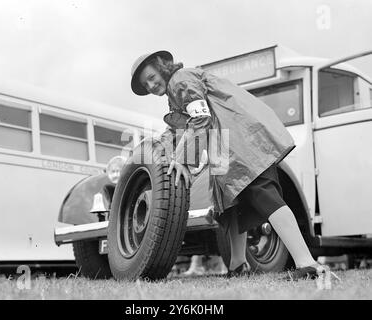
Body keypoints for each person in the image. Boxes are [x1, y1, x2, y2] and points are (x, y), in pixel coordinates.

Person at [130, 50, 329, 280]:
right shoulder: (175, 92)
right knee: (230, 206)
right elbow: (177, 129)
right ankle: (237, 265)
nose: (151, 86)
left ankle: (307, 263)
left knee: (264, 194)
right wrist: (154, 150)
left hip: (240, 140)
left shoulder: (181, 79)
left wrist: (183, 159)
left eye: (152, 77)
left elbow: (200, 118)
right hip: (223, 148)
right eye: (146, 84)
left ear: (162, 67)